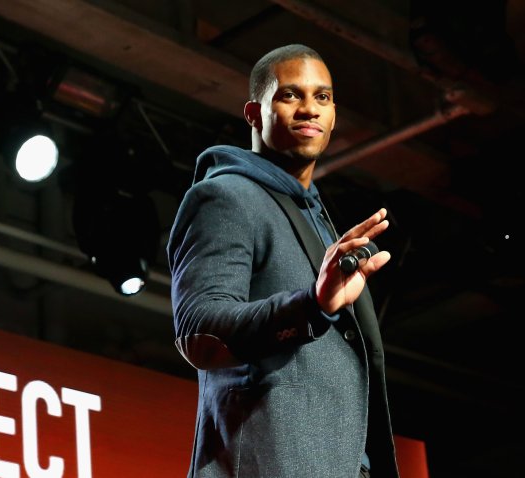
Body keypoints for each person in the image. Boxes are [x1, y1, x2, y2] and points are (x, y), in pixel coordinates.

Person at [167, 44, 399, 478]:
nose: (310, 109)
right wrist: (312, 305)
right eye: (291, 95)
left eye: (322, 97)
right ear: (254, 113)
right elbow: (199, 331)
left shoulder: (318, 219)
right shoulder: (225, 197)